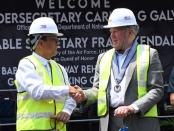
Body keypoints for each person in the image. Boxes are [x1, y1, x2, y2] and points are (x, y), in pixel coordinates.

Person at [73, 8, 164, 131]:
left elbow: (157, 90)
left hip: (140, 122)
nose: (112, 35)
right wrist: (84, 95)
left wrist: (132, 107)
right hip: (110, 123)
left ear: (130, 32)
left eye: (116, 31)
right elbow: (98, 89)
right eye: (111, 31)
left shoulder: (149, 54)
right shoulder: (103, 57)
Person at [15, 17, 78, 131]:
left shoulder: (59, 68)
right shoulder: (26, 64)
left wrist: (66, 111)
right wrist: (67, 90)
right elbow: (37, 92)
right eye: (54, 39)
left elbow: (71, 97)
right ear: (40, 42)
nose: (58, 43)